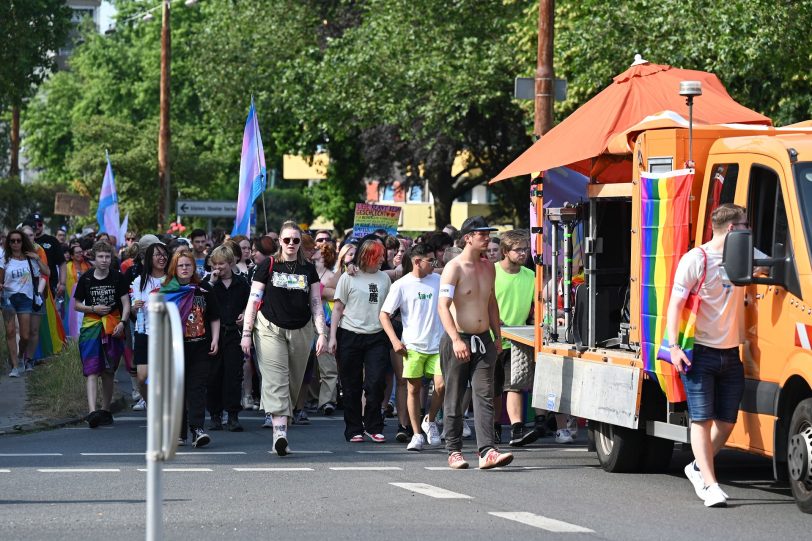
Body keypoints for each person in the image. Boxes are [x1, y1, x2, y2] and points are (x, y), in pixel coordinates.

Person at [666, 204, 749, 508]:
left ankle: (698, 467)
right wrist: (674, 347)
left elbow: (781, 265)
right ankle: (710, 485)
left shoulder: (747, 254)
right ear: (731, 229)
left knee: (726, 422)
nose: (748, 232)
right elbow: (675, 304)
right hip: (698, 353)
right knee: (702, 419)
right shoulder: (696, 259)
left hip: (730, 353)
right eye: (745, 226)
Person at [240, 221, 328, 456]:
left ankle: (281, 423)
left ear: (300, 243)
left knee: (293, 382)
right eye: (287, 239)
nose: (291, 244)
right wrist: (247, 334)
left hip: (301, 330)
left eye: (296, 240)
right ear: (279, 241)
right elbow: (253, 300)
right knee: (276, 379)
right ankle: (280, 435)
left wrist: (322, 334)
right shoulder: (267, 265)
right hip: (270, 328)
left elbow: (317, 304)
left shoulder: (309, 269)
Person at [438, 216, 513, 469]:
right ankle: (454, 450)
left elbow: (491, 302)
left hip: (484, 340)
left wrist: (497, 336)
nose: (487, 238)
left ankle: (487, 451)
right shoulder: (454, 267)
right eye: (482, 233)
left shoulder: (489, 266)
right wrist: (456, 339)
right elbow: (443, 307)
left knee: (485, 395)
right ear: (468, 237)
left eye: (488, 233)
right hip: (458, 339)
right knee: (455, 396)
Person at [380, 244, 445, 451]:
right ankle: (416, 434)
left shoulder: (439, 281)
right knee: (413, 389)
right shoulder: (401, 285)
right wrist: (395, 341)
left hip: (438, 344)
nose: (434, 265)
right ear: (417, 261)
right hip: (413, 346)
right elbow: (384, 315)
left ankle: (430, 420)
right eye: (431, 261)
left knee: (441, 385)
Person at [329, 238, 391, 442]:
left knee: (376, 383)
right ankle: (353, 428)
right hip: (349, 334)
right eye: (378, 255)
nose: (383, 259)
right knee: (351, 384)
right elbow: (338, 308)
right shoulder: (349, 277)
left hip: (377, 336)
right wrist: (332, 338)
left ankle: (373, 425)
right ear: (367, 257)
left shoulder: (384, 279)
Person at [161, 249, 220, 448]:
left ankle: (197, 430)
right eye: (180, 265)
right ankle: (179, 432)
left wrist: (215, 339)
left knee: (197, 389)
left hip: (201, 347)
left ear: (194, 267)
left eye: (188, 265)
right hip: (175, 348)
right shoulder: (167, 290)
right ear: (174, 268)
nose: (184, 269)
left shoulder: (203, 288)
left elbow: (214, 316)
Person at [73, 241, 130, 428]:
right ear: (94, 258)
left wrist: (123, 322)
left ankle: (105, 410)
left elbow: (126, 303)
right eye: (101, 257)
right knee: (91, 368)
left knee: (108, 370)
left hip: (113, 325)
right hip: (91, 325)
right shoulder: (87, 278)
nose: (104, 260)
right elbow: (76, 304)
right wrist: (93, 308)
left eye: (107, 257)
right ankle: (92, 412)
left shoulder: (117, 277)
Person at [491, 230, 539, 447]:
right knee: (492, 389)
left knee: (515, 385)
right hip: (490, 338)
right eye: (518, 250)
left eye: (525, 249)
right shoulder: (490, 272)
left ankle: (517, 429)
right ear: (505, 251)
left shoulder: (530, 275)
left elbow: (536, 306)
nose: (523, 253)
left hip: (518, 340)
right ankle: (493, 428)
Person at [205, 245, 250, 432]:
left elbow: (251, 303)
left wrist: (244, 314)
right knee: (213, 375)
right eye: (215, 264)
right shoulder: (210, 284)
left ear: (231, 263)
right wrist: (210, 282)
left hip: (233, 334)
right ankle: (215, 415)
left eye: (222, 264)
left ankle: (232, 415)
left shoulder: (242, 284)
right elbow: (201, 303)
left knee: (233, 375)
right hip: (214, 335)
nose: (218, 268)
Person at [0, 229, 47, 377]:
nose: (15, 243)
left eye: (18, 240)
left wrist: (37, 259)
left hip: (26, 298)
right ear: (8, 243)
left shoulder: (30, 259)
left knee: (25, 336)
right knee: (11, 332)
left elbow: (47, 272)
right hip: (8, 298)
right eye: (12, 241)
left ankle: (20, 357)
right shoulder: (4, 258)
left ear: (23, 242)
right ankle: (14, 366)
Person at [130, 242, 168, 410]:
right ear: (148, 259)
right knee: (142, 377)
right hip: (144, 332)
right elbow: (132, 310)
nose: (162, 258)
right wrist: (134, 306)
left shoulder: (172, 279)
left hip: (166, 333)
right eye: (158, 255)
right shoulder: (139, 281)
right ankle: (150, 403)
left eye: (164, 254)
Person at [28, 213, 65, 297]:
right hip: (27, 284)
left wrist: (62, 283)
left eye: (39, 224)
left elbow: (62, 263)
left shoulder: (52, 240)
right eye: (34, 224)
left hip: (50, 284)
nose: (37, 226)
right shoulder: (22, 241)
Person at [63, 244, 91, 339]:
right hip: (70, 296)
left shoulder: (87, 265)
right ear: (72, 256)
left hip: (85, 297)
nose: (80, 254)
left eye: (81, 252)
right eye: (77, 252)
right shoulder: (67, 267)